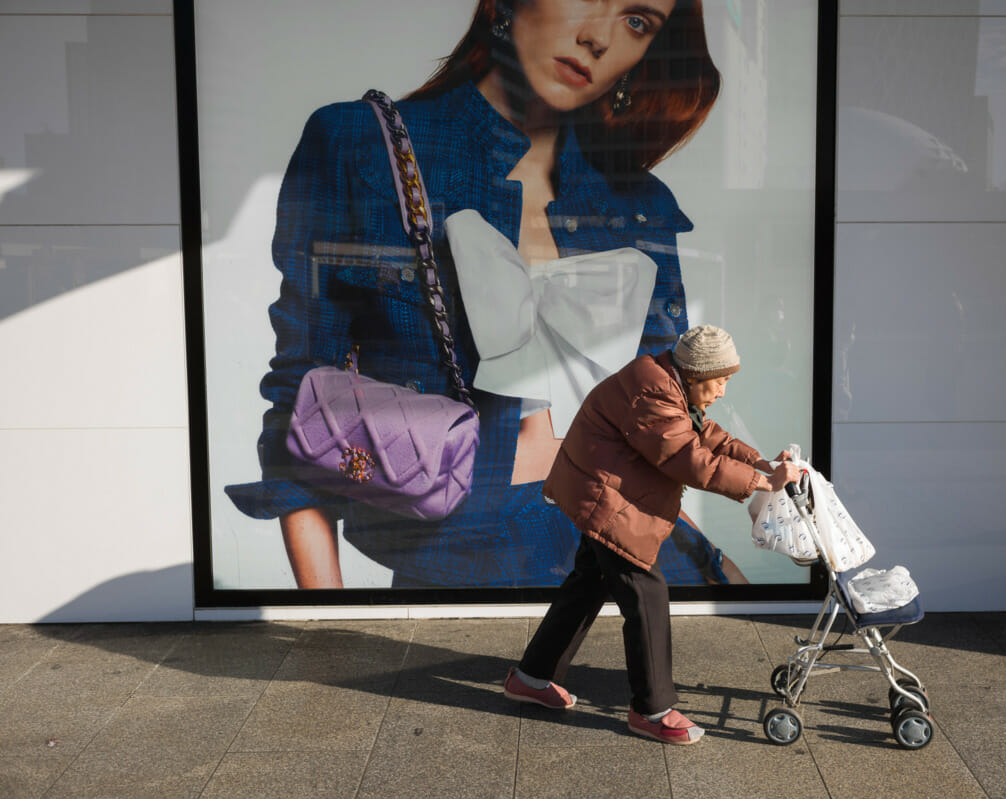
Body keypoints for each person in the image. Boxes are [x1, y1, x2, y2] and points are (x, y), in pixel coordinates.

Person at [225, 0, 739, 589]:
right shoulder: (361, 146)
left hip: (636, 544)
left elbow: (663, 413)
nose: (599, 37)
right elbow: (303, 396)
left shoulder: (637, 201)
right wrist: (327, 616)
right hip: (465, 562)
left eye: (637, 20)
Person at [504, 325, 803, 744]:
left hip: (604, 487)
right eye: (720, 381)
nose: (722, 391)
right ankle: (652, 709)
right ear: (696, 374)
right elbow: (689, 459)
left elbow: (705, 434)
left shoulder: (668, 381)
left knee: (588, 583)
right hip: (606, 498)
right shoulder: (654, 392)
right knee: (647, 595)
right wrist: (762, 482)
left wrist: (761, 462)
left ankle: (531, 677)